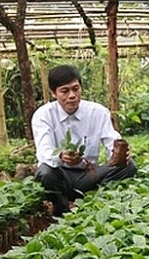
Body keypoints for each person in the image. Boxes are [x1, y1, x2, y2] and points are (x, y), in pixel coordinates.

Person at [31, 64, 137, 216]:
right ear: (53, 93)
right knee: (45, 173)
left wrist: (119, 151)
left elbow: (111, 139)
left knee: (129, 166)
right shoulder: (43, 115)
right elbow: (44, 152)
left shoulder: (97, 112)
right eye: (65, 91)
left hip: (89, 174)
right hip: (60, 175)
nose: (72, 95)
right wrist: (61, 156)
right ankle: (61, 208)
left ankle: (95, 198)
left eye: (76, 88)